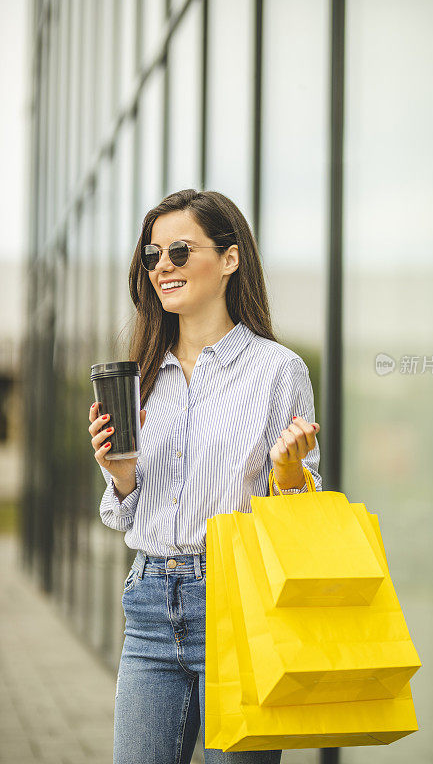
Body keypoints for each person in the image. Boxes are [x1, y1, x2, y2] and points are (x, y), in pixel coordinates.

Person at [88, 189, 322, 764]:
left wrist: (289, 472)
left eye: (180, 251)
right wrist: (119, 476)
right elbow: (125, 511)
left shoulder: (277, 370)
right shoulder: (141, 374)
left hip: (236, 604)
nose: (162, 266)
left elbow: (301, 513)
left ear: (231, 259)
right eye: (152, 255)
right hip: (147, 603)